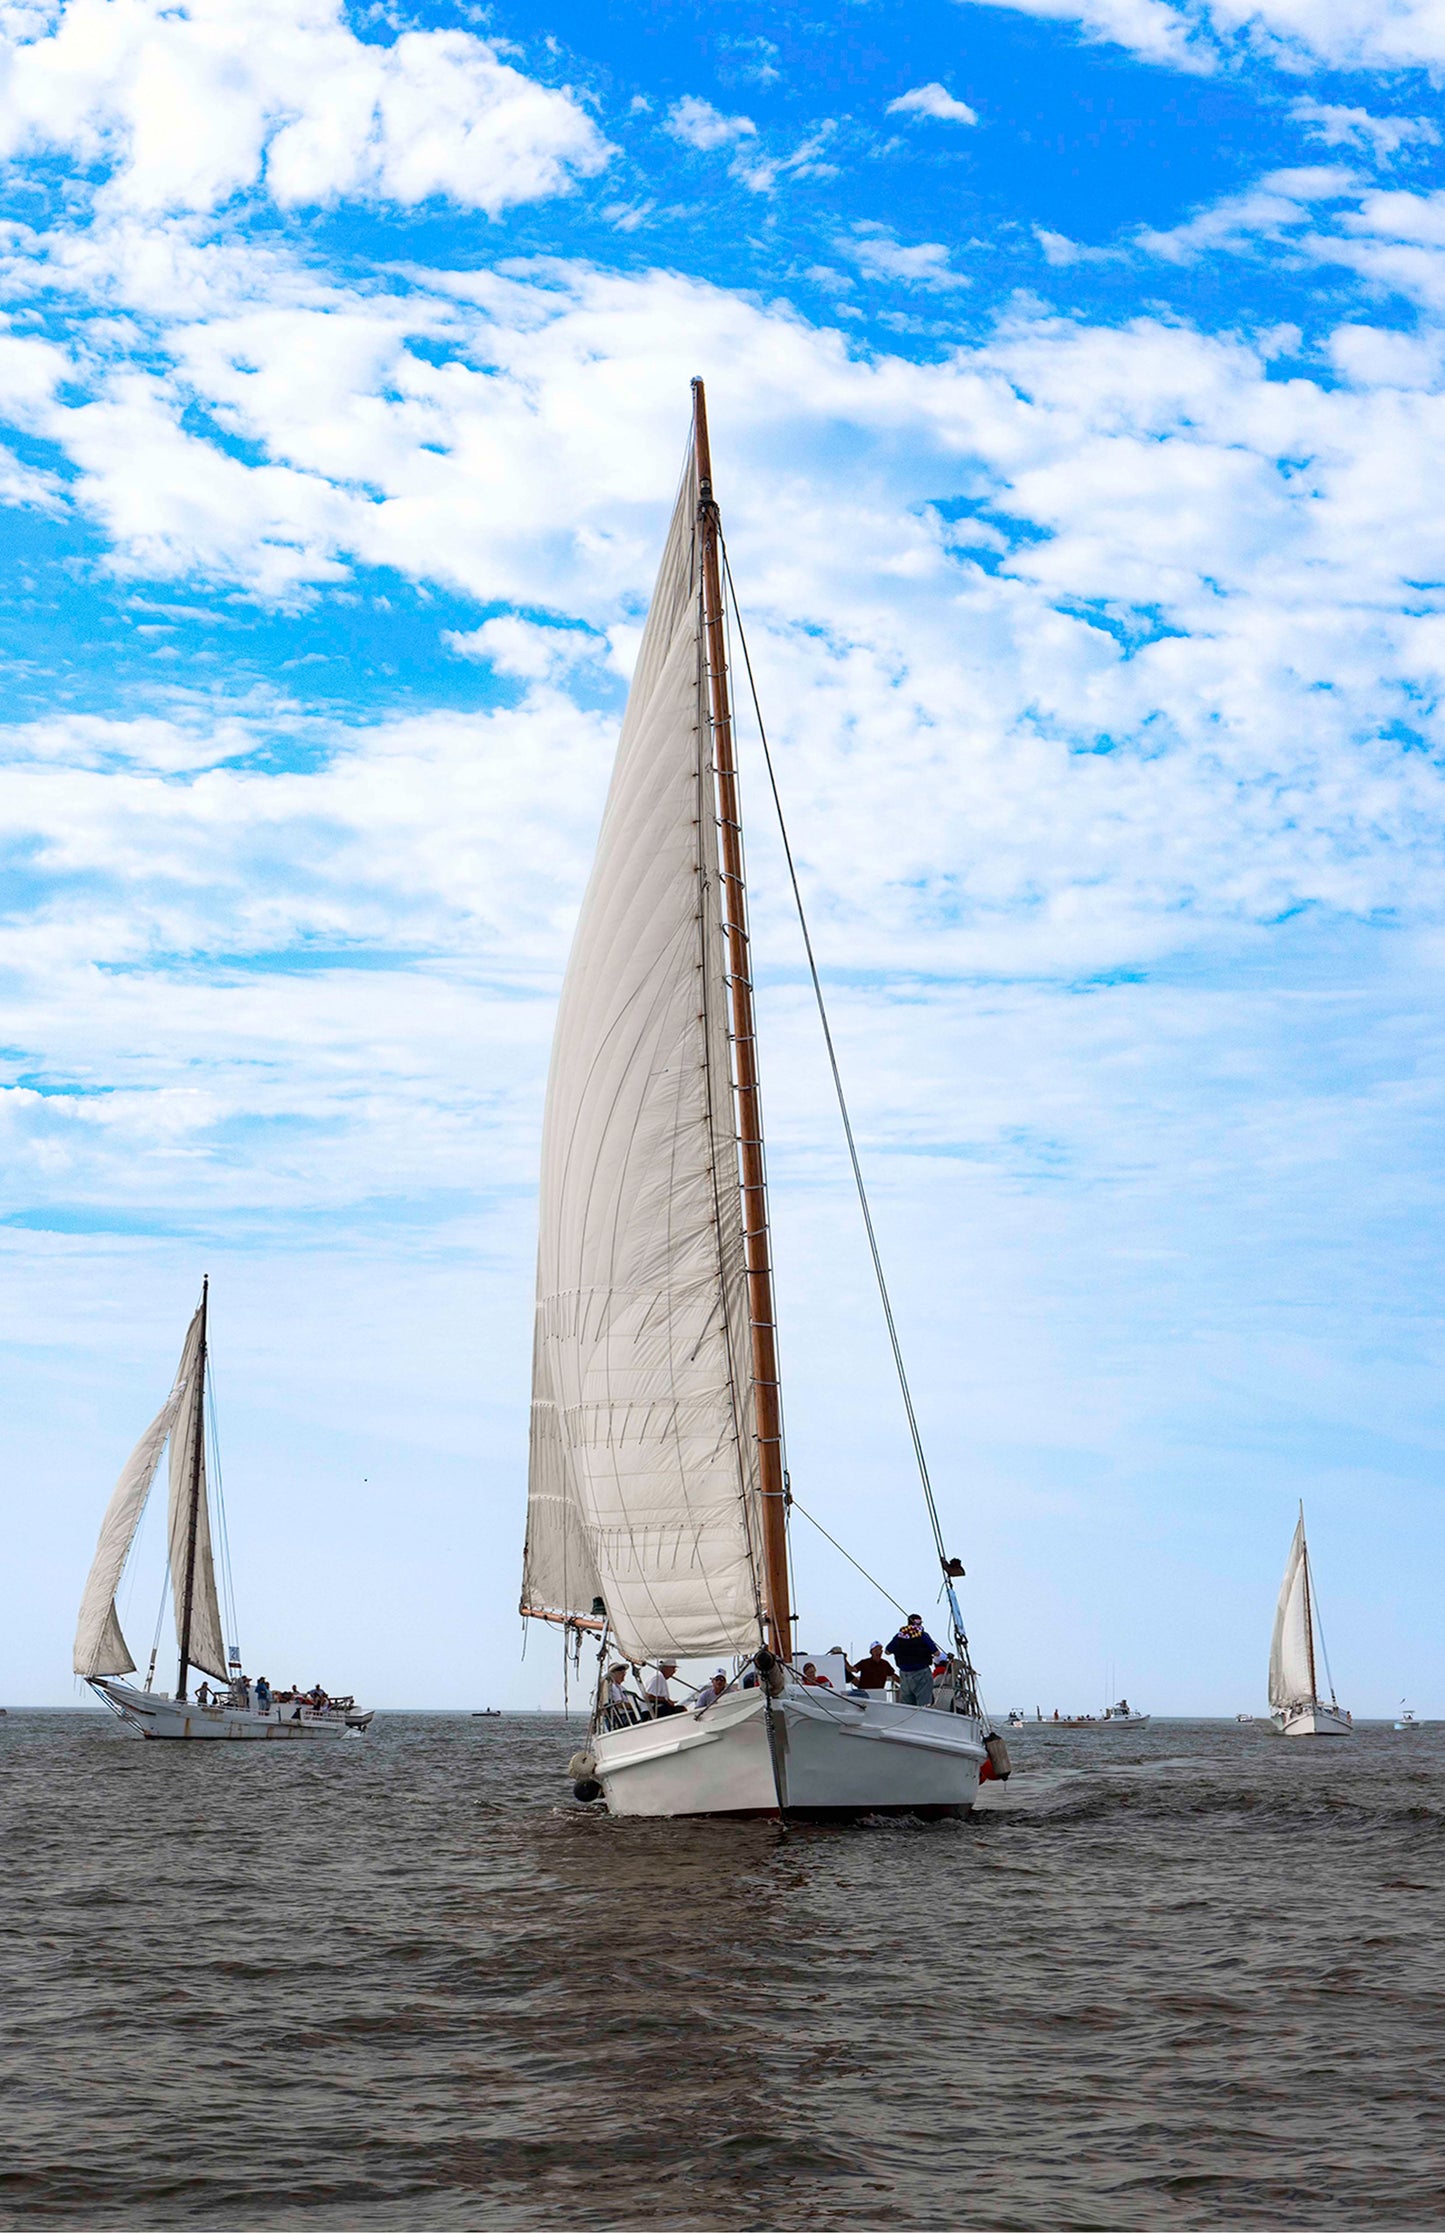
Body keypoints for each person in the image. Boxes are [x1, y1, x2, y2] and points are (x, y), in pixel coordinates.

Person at [886, 1616, 942, 1708]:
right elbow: (936, 1653)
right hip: (921, 1674)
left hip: (904, 1675)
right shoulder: (922, 1635)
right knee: (923, 1706)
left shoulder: (899, 1636)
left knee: (908, 1707)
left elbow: (887, 1651)